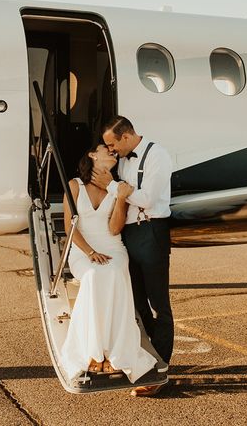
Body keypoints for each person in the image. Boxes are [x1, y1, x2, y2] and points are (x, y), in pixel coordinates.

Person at [59, 143, 158, 386]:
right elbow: (69, 227)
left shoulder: (117, 188)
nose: (112, 151)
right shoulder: (74, 186)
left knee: (114, 273)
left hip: (113, 247)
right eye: (106, 148)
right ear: (91, 154)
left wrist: (121, 197)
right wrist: (90, 252)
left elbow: (115, 229)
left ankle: (115, 353)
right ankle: (93, 351)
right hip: (82, 249)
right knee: (93, 276)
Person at [95, 115, 173, 397]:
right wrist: (122, 190)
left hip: (151, 231)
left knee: (157, 305)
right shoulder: (124, 160)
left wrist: (114, 187)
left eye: (112, 144)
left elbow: (146, 199)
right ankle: (149, 361)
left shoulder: (158, 155)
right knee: (137, 304)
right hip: (128, 235)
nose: (111, 150)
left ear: (126, 137)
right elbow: (128, 197)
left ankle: (161, 371)